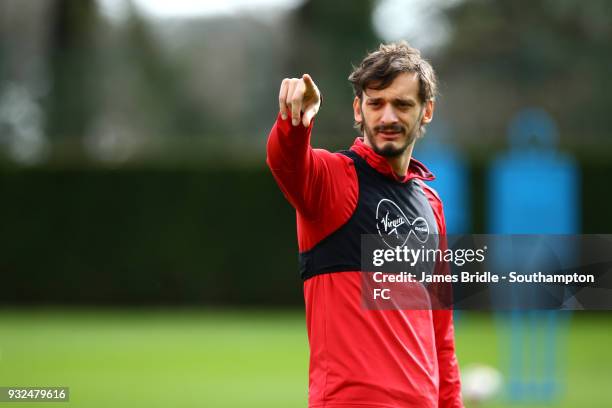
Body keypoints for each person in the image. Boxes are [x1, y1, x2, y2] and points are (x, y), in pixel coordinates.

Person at [266, 41, 463, 408]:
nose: (388, 117)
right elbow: (286, 163)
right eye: (376, 103)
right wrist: (294, 122)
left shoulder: (430, 204)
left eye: (402, 104)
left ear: (427, 111)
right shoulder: (334, 180)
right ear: (359, 109)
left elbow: (441, 336)